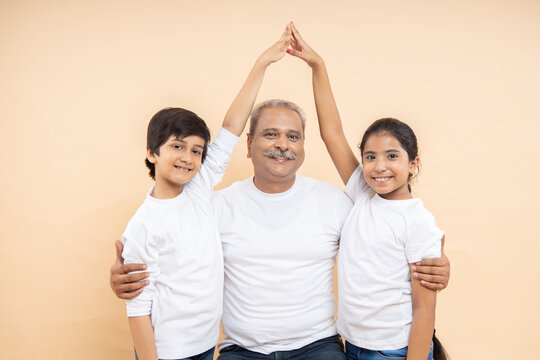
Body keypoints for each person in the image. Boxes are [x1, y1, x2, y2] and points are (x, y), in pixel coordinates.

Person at [111, 25, 451, 360]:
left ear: (304, 146)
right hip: (241, 351)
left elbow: (385, 245)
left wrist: (434, 266)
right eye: (270, 134)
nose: (282, 145)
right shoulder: (212, 207)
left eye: (293, 136)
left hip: (319, 347)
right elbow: (171, 250)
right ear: (248, 144)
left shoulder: (341, 202)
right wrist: (125, 279)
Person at [119, 26, 293, 360]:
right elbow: (138, 308)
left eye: (197, 151)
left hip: (205, 347)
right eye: (177, 147)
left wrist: (261, 65)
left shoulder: (197, 191)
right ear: (152, 153)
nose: (187, 157)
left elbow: (231, 128)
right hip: (167, 353)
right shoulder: (144, 224)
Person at [287, 22, 449, 359]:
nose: (379, 167)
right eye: (370, 157)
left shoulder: (419, 222)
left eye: (392, 157)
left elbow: (424, 311)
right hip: (355, 347)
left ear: (413, 163)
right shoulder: (363, 191)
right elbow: (331, 132)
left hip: (395, 351)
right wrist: (318, 66)